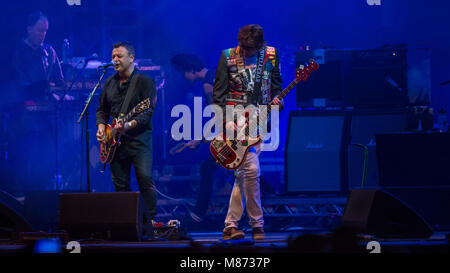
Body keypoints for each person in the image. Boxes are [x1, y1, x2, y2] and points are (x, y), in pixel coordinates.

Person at [213, 24, 283, 240]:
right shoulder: (227, 56)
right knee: (251, 170)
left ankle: (230, 226)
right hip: (235, 121)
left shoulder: (271, 55)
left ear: (260, 46)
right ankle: (257, 224)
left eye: (249, 49)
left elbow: (276, 85)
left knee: (242, 175)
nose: (244, 52)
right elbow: (219, 93)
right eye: (242, 47)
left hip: (260, 121)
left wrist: (277, 100)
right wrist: (224, 120)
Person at [96, 42, 157, 223]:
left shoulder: (144, 81)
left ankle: (151, 222)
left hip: (139, 140)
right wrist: (101, 128)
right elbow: (101, 110)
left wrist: (129, 124)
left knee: (144, 178)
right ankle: (127, 222)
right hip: (114, 142)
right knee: (120, 184)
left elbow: (147, 112)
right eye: (113, 56)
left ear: (131, 58)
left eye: (119, 56)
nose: (115, 60)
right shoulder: (109, 83)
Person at [171, 53, 221, 221]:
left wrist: (200, 139)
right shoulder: (217, 73)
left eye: (183, 73)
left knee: (208, 167)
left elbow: (218, 115)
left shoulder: (208, 83)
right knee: (241, 169)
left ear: (191, 70)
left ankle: (199, 213)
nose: (184, 77)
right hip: (240, 126)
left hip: (233, 131)